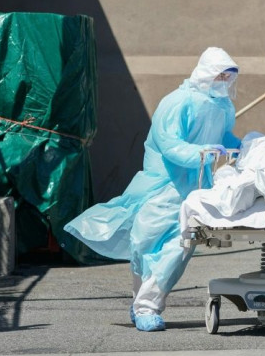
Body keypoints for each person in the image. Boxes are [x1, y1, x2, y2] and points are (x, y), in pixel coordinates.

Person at [64, 47, 242, 331]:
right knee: (144, 244)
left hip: (195, 190)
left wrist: (240, 144)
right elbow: (169, 144)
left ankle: (147, 306)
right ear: (207, 72)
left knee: (178, 248)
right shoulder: (178, 102)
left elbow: (223, 136)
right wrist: (202, 153)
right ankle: (140, 303)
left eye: (228, 76)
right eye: (220, 75)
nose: (224, 81)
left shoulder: (222, 107)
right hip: (163, 187)